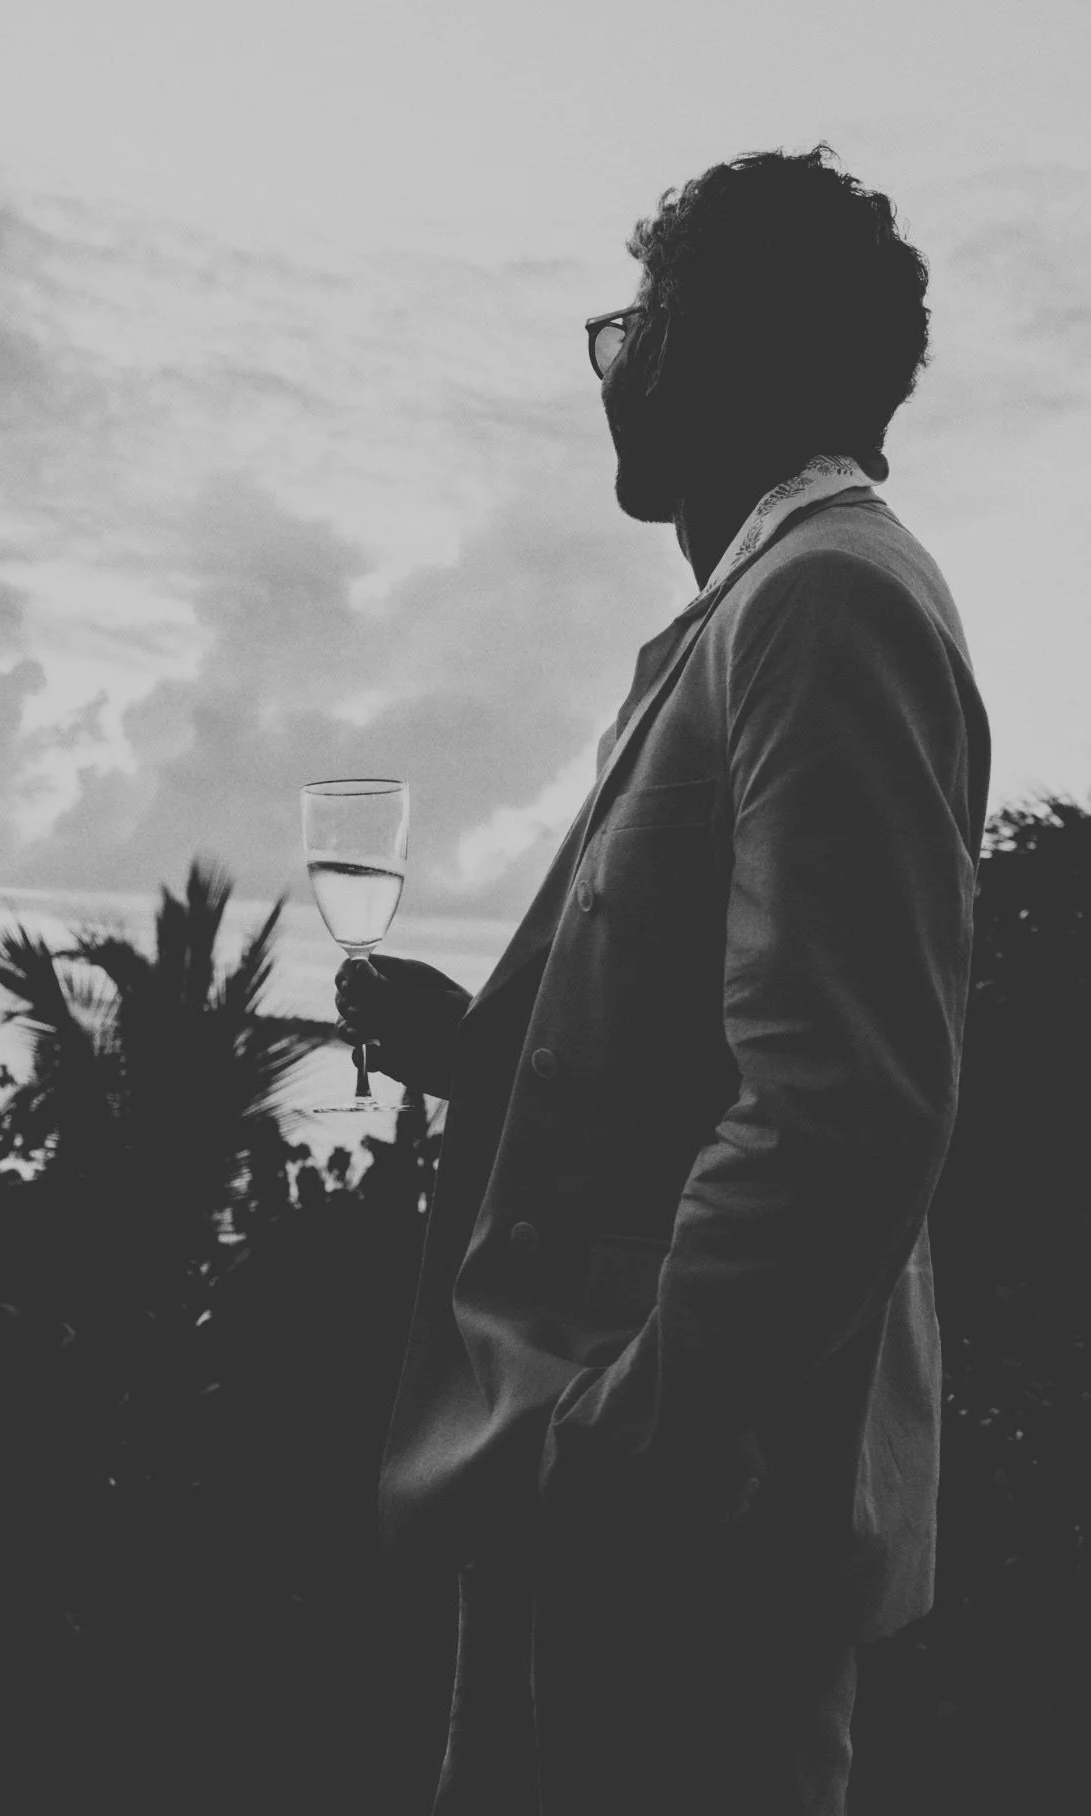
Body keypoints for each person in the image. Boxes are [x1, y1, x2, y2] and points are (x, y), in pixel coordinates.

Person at [340, 146, 989, 1815]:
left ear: (714, 348)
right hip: (636, 1498)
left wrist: (637, 1434)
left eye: (632, 323)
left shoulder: (824, 602)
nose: (612, 364)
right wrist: (480, 1052)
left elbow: (842, 1107)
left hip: (685, 1525)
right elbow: (703, 1050)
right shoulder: (767, 600)